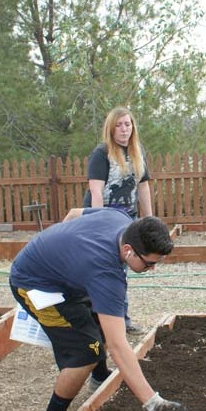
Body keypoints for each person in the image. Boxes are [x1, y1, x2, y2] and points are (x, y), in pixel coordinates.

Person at [9, 207, 187, 411]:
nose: (152, 269)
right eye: (148, 264)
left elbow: (72, 214)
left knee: (101, 321)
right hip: (35, 284)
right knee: (84, 353)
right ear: (128, 250)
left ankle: (99, 377)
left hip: (63, 277)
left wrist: (63, 254)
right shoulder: (105, 275)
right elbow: (118, 346)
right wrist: (154, 403)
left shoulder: (121, 219)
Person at [83, 107, 153, 333]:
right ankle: (97, 320)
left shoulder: (137, 151)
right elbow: (96, 191)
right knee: (103, 269)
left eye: (128, 124)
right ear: (111, 128)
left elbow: (143, 186)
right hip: (103, 218)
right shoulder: (102, 153)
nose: (124, 129)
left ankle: (122, 319)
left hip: (127, 219)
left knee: (121, 270)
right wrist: (98, 224)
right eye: (119, 125)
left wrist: (149, 219)